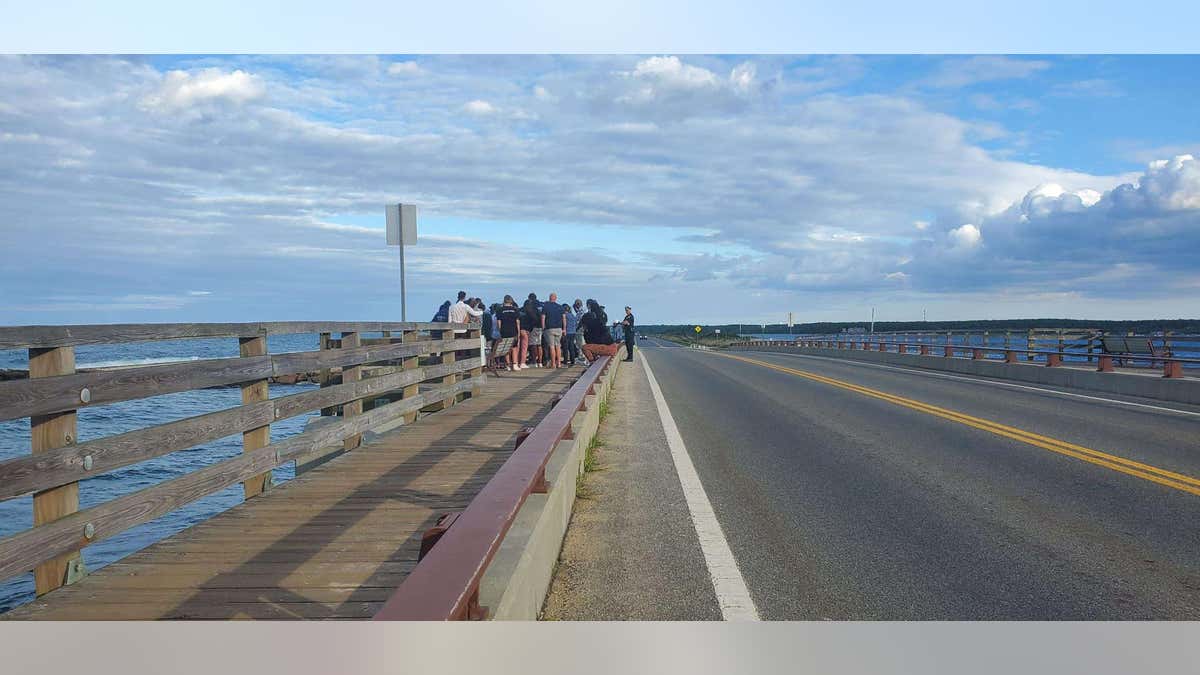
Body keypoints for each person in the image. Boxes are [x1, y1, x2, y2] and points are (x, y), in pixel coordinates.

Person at [495, 295, 521, 371]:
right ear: (511, 301)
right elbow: (517, 322)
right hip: (513, 330)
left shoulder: (500, 310)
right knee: (514, 348)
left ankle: (508, 365)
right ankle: (515, 364)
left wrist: (500, 331)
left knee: (506, 348)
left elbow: (499, 322)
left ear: (504, 301)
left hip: (504, 330)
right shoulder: (515, 310)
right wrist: (518, 332)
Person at [542, 292, 566, 369]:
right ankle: (558, 363)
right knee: (558, 346)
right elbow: (564, 319)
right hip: (559, 328)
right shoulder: (560, 307)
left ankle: (553, 363)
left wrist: (543, 327)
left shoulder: (546, 307)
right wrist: (564, 328)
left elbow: (543, 318)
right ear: (555, 298)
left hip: (549, 328)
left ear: (549, 298)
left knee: (551, 346)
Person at [523, 293, 544, 368]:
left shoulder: (532, 304)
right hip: (541, 327)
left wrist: (531, 325)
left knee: (533, 345)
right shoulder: (541, 304)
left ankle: (534, 362)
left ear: (529, 298)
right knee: (539, 345)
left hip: (534, 327)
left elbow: (531, 315)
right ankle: (540, 362)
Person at [572, 299, 589, 366]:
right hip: (583, 329)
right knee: (581, 344)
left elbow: (581, 320)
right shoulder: (583, 310)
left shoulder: (582, 310)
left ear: (577, 305)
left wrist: (577, 329)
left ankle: (583, 359)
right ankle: (583, 358)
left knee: (581, 344)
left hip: (580, 330)